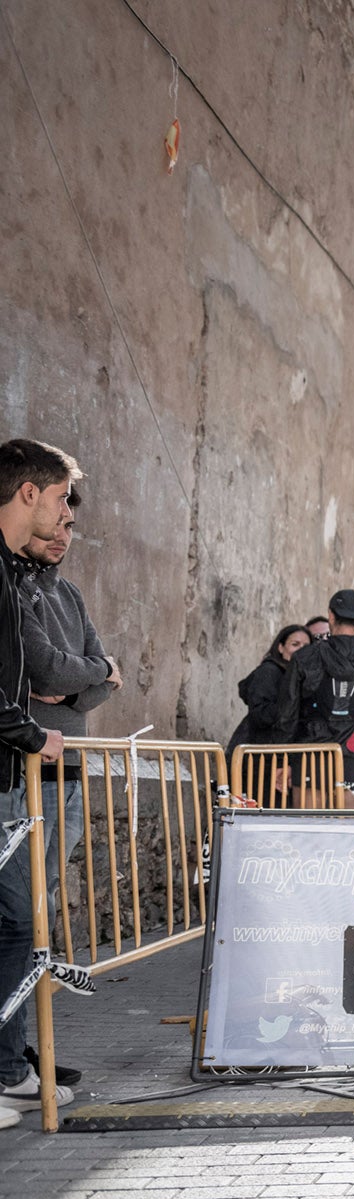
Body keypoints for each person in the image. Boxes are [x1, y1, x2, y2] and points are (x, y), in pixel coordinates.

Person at [17, 497, 114, 1093]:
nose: (63, 534)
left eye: (72, 526)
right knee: (15, 920)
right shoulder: (17, 593)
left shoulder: (70, 595)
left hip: (68, 775)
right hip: (23, 773)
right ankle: (14, 1055)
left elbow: (103, 678)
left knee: (34, 921)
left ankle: (18, 1048)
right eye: (58, 519)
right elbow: (47, 671)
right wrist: (88, 672)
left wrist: (83, 679)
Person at [0, 438, 79, 1122]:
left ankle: (12, 1060)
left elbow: (85, 671)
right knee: (19, 919)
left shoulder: (19, 574)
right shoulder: (5, 577)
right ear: (29, 493)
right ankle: (8, 1066)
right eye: (59, 500)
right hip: (12, 767)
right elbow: (40, 677)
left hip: (14, 769)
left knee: (21, 918)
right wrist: (34, 731)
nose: (65, 517)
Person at [282, 589, 354, 785]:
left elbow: (286, 716)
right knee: (352, 816)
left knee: (309, 817)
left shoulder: (304, 657)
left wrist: (281, 762)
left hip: (310, 757)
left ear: (331, 616)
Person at [228, 624, 312, 764]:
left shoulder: (302, 678)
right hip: (258, 757)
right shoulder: (269, 672)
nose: (301, 651)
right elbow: (260, 714)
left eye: (306, 646)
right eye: (295, 644)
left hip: (278, 757)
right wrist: (290, 706)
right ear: (281, 648)